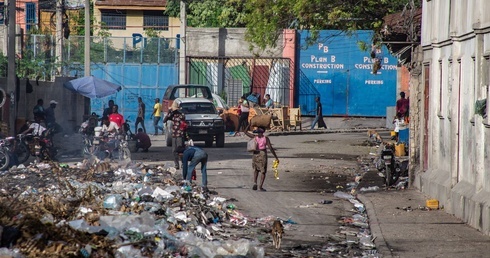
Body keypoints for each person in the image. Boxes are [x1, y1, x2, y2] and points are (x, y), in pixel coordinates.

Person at [244, 125, 279, 192]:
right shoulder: (266, 138)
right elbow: (270, 148)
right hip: (263, 154)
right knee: (263, 171)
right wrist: (275, 157)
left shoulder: (255, 137)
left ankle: (255, 183)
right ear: (263, 131)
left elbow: (245, 132)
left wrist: (249, 124)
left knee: (256, 170)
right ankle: (260, 186)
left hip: (255, 154)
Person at [163, 101, 186, 169]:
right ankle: (176, 164)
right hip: (174, 134)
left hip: (180, 135)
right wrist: (169, 112)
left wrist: (177, 111)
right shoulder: (172, 115)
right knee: (174, 151)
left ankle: (183, 163)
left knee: (180, 150)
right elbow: (164, 120)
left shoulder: (181, 114)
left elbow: (183, 120)